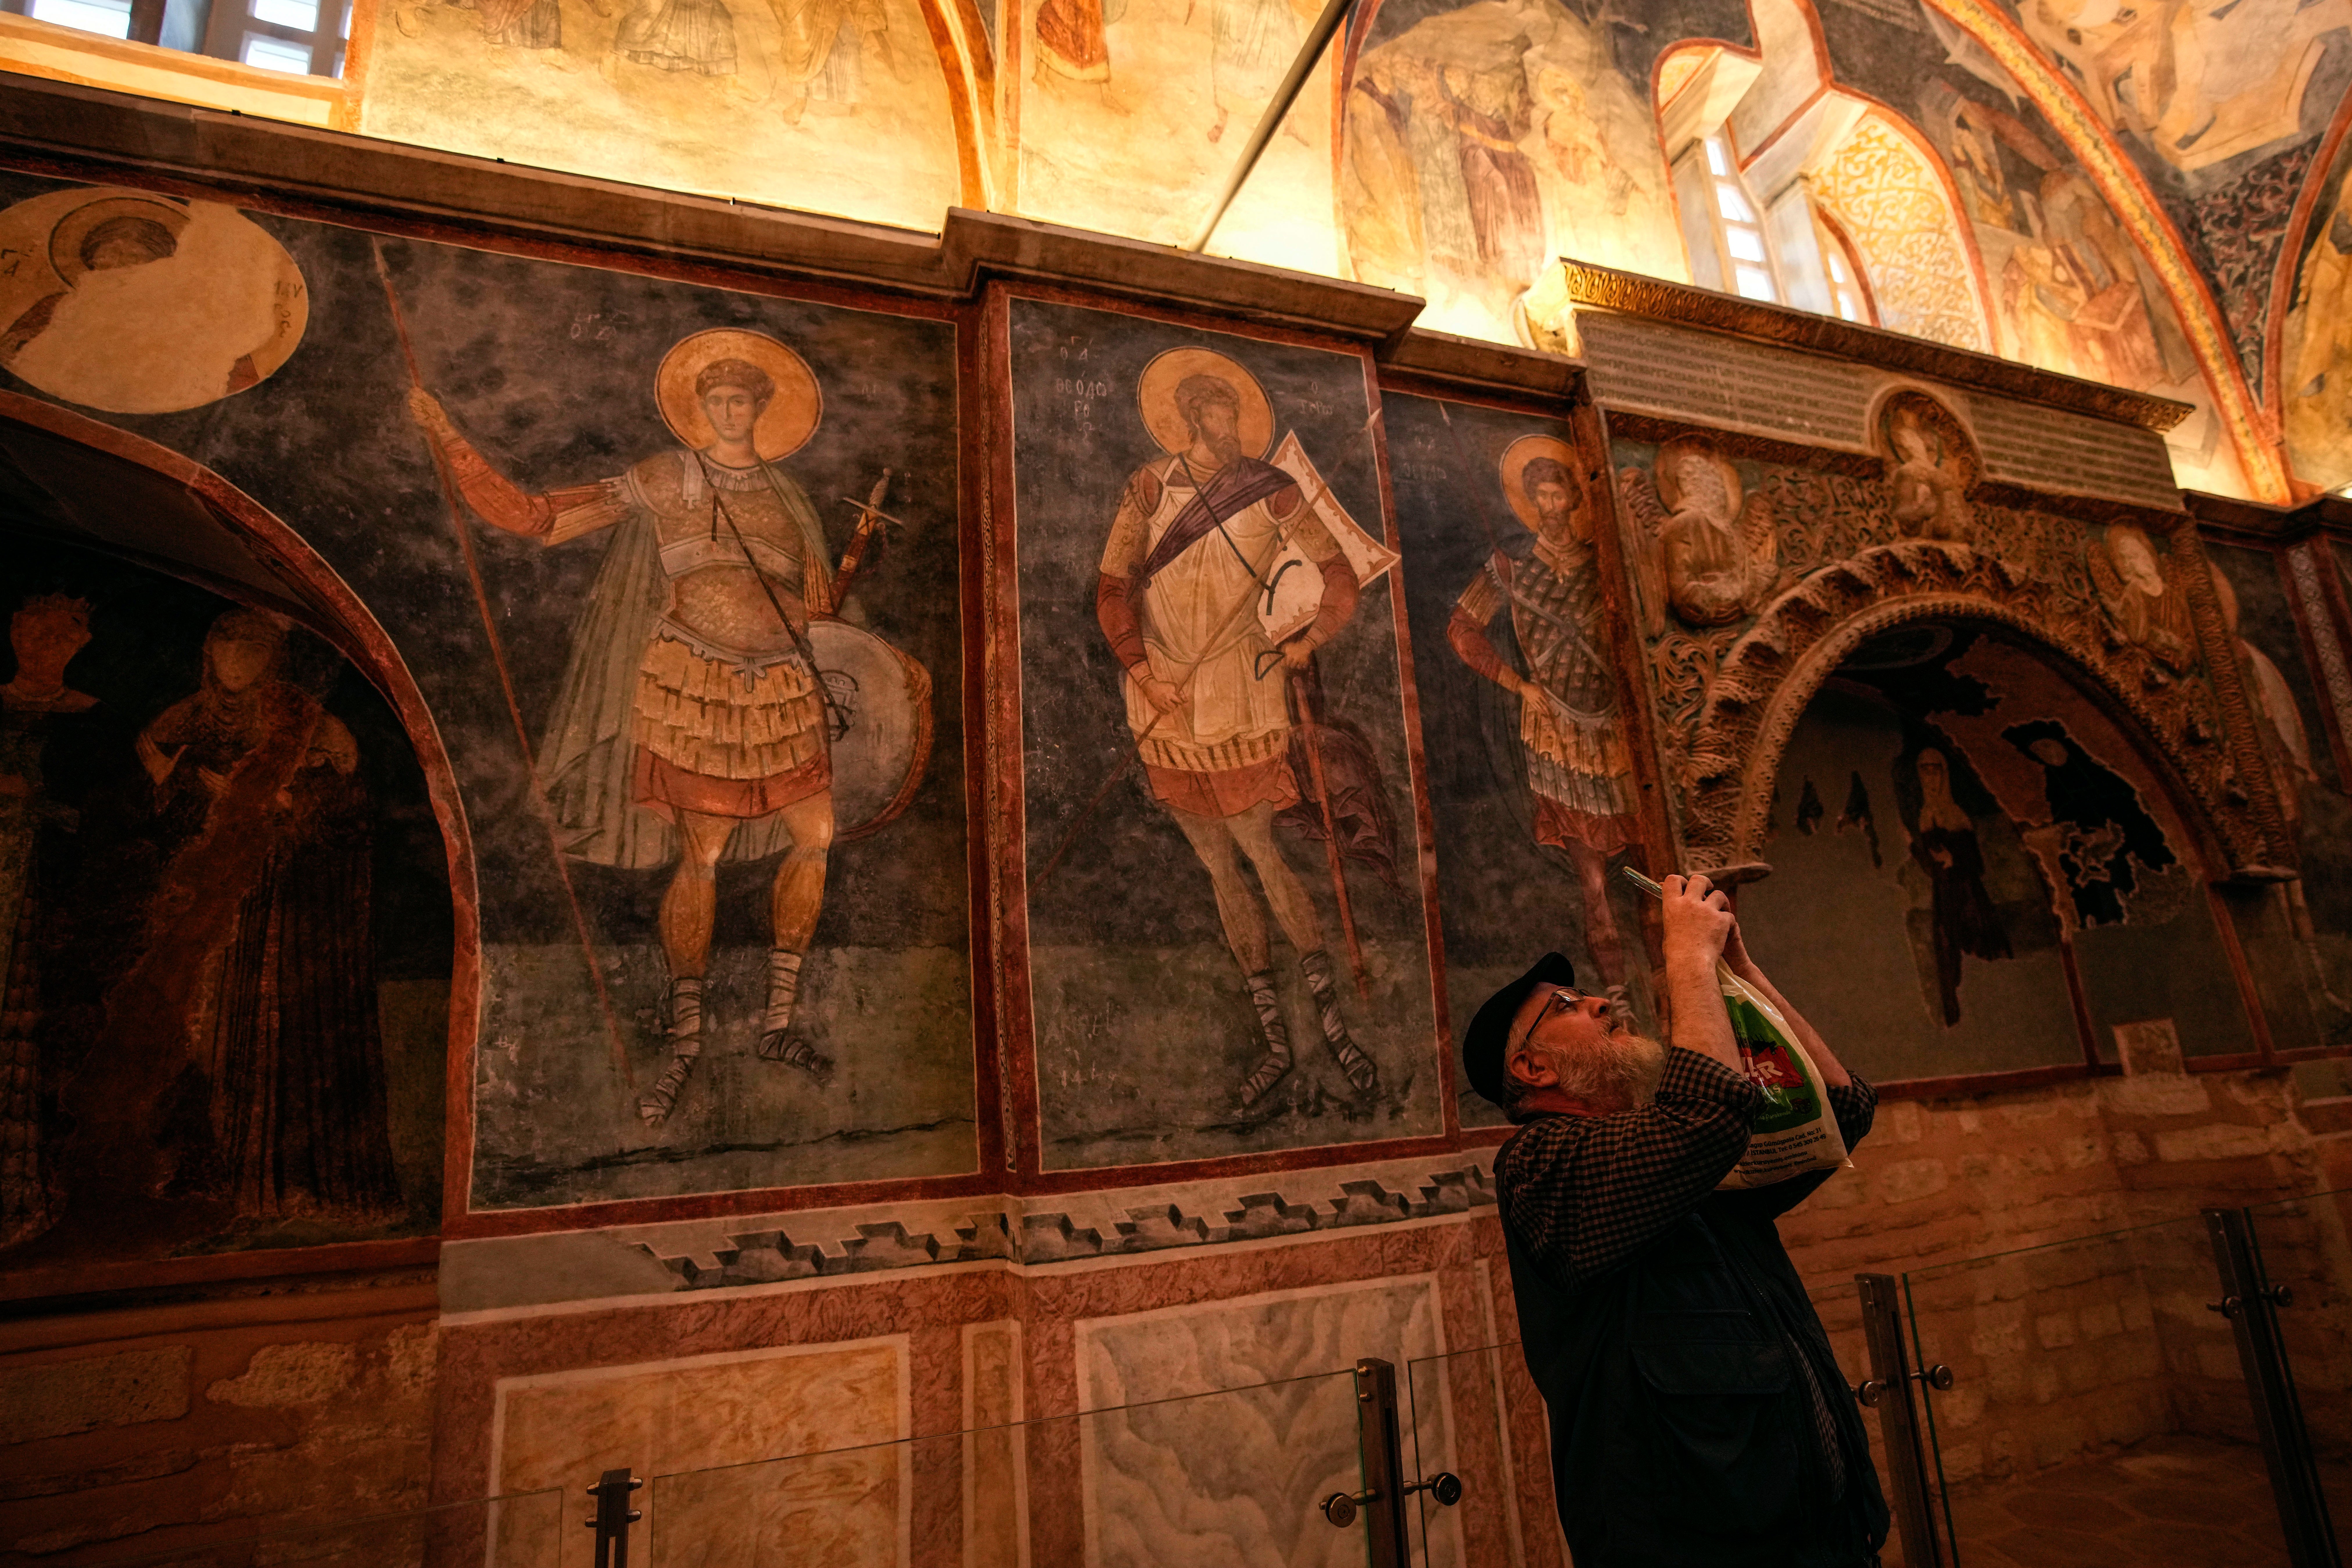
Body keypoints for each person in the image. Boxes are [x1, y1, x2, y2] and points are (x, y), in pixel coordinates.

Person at [409, 347, 869, 1124]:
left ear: (762, 411)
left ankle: (778, 1021)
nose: (730, 412)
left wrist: (847, 578)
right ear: (700, 407)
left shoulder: (790, 497)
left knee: (816, 835)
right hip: (699, 683)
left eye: (742, 401)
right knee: (706, 854)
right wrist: (450, 436)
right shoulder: (666, 479)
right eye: (717, 399)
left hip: (787, 684)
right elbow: (539, 516)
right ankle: (688, 1037)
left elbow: (818, 602)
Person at [1464, 871, 1888, 1567]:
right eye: (1570, 1004)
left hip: (1824, 1531)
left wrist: (1738, 971)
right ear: (1533, 1067)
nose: (1605, 1002)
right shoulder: (1541, 1166)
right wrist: (1685, 958)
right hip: (1698, 1546)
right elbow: (1703, 1117)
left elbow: (1840, 1113)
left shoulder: (1677, 1154)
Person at [1094, 370, 1372, 1110]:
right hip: (1166, 702)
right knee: (1220, 867)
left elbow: (1341, 575)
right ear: (1190, 414)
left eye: (1240, 409)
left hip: (1243, 695)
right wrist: (1143, 672)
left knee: (1261, 852)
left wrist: (1311, 638)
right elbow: (1112, 588)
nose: (1234, 422)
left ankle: (1334, 1028)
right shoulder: (1149, 488)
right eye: (1219, 409)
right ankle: (1277, 1041)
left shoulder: (1272, 487)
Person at [1446, 454, 1639, 1000]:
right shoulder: (1509, 565)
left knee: (1656, 875)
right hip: (1559, 735)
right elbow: (1462, 630)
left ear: (1576, 499)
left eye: (1561, 496)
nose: (1553, 509)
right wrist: (1517, 684)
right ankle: (1619, 1001)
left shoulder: (1603, 561)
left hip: (1620, 735)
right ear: (1532, 504)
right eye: (1544, 498)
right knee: (1593, 883)